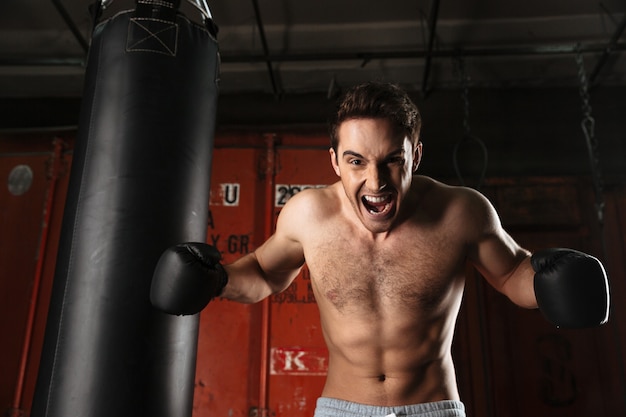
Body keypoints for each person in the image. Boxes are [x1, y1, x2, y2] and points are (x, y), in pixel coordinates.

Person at [150, 82, 610, 417]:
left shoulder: (461, 212)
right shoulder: (307, 215)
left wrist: (551, 278)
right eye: (356, 161)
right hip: (342, 409)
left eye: (393, 160)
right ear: (334, 161)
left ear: (416, 155)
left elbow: (512, 275)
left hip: (434, 408)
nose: (376, 182)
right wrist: (218, 280)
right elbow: (265, 275)